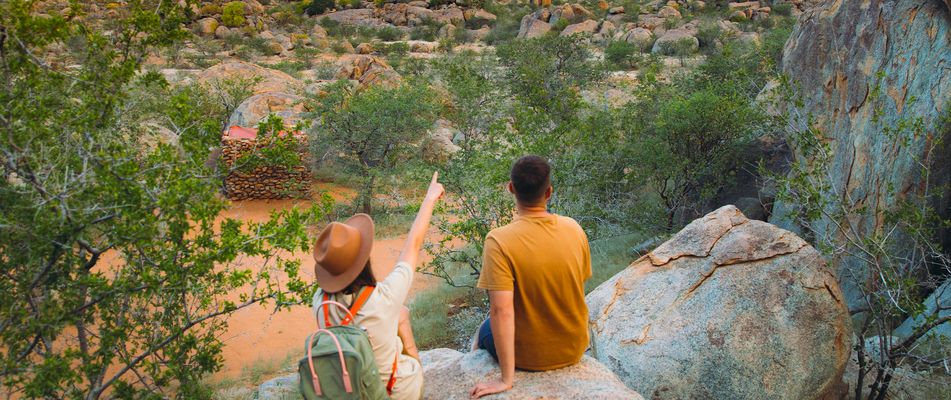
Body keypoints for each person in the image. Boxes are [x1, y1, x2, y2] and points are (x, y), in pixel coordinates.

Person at [312, 171, 444, 400]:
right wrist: (429, 198)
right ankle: (415, 363)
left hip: (346, 390)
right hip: (392, 392)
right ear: (364, 258)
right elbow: (413, 245)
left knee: (398, 314)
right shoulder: (384, 297)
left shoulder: (319, 301)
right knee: (400, 315)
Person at [469, 156, 592, 399]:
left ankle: (471, 363)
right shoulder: (574, 228)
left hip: (528, 357)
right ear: (549, 192)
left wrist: (506, 379)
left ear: (511, 188)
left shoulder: (498, 240)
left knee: (483, 330)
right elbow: (578, 283)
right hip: (574, 348)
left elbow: (501, 311)